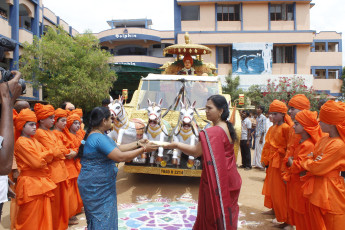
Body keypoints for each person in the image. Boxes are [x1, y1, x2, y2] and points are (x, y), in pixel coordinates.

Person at [165, 95, 242, 229]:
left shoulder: (214, 131)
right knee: (226, 211)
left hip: (218, 178)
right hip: (229, 176)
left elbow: (196, 152)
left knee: (213, 213)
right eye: (205, 108)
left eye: (209, 108)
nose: (206, 111)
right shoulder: (225, 127)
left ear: (221, 111)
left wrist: (176, 145)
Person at [77, 107, 158, 229]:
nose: (113, 122)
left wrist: (138, 143)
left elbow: (117, 148)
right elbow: (120, 157)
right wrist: (144, 149)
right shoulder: (98, 138)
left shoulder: (99, 135)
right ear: (104, 121)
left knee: (103, 216)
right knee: (102, 217)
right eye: (111, 119)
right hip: (97, 187)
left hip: (100, 185)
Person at [301, 100, 345, 230]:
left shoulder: (338, 145)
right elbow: (312, 158)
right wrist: (313, 160)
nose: (318, 121)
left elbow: (316, 168)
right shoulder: (324, 139)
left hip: (331, 190)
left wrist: (310, 161)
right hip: (317, 187)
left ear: (332, 124)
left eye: (322, 119)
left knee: (332, 223)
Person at [13, 108, 56, 230]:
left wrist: (43, 156)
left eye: (35, 124)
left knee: (43, 216)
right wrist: (45, 155)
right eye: (31, 124)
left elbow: (49, 157)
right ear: (22, 126)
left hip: (40, 182)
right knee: (30, 219)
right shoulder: (21, 143)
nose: (34, 127)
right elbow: (37, 163)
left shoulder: (33, 140)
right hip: (30, 184)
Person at [33, 103, 70, 230]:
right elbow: (55, 152)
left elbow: (62, 149)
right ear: (42, 119)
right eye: (51, 117)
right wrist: (58, 151)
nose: (53, 120)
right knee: (54, 206)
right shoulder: (39, 133)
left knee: (61, 204)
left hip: (60, 171)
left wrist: (58, 151)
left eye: (54, 117)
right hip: (52, 174)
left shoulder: (51, 132)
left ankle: (60, 226)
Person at [284, 110, 322, 230]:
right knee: (298, 213)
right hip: (296, 183)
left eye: (296, 124)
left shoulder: (308, 145)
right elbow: (291, 162)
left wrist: (291, 162)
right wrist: (291, 162)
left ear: (305, 127)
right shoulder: (300, 141)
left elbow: (297, 167)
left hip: (302, 185)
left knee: (303, 215)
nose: (293, 126)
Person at [266, 100, 291, 226]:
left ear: (282, 114)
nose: (272, 116)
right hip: (273, 162)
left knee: (281, 191)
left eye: (275, 114)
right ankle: (277, 212)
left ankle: (285, 219)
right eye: (271, 114)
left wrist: (285, 164)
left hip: (281, 163)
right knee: (273, 189)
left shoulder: (286, 128)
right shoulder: (273, 127)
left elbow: (289, 148)